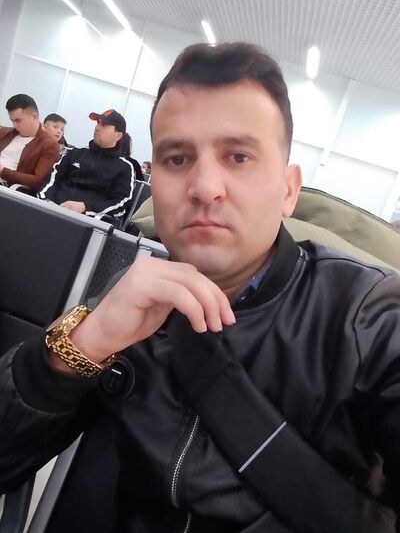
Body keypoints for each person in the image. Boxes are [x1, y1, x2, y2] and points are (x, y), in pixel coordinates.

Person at [0, 43, 400, 533]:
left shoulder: (371, 320)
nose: (206, 187)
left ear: (288, 190)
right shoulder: (135, 300)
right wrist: (85, 343)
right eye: (177, 158)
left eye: (238, 156)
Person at [39, 109, 135, 220]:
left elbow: (121, 204)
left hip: (88, 222)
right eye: (98, 123)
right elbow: (51, 180)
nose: (97, 128)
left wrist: (86, 207)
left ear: (118, 135)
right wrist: (47, 202)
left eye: (104, 125)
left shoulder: (124, 168)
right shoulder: (75, 154)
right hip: (52, 210)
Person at [0, 94, 60, 189]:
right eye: (12, 121)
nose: (15, 125)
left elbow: (38, 181)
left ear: (34, 117)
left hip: (7, 187)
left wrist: (3, 171)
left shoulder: (49, 145)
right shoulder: (4, 132)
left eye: (18, 120)